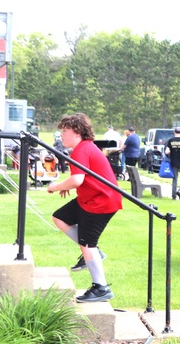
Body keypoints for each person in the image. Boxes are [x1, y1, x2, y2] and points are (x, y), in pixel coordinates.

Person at [47, 113, 123, 303]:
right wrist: (67, 186)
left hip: (101, 201)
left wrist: (55, 186)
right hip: (89, 199)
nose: (61, 135)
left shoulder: (81, 150)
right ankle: (93, 251)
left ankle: (101, 288)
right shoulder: (84, 148)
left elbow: (77, 180)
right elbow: (80, 180)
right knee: (60, 217)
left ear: (78, 131)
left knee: (88, 244)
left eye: (65, 131)